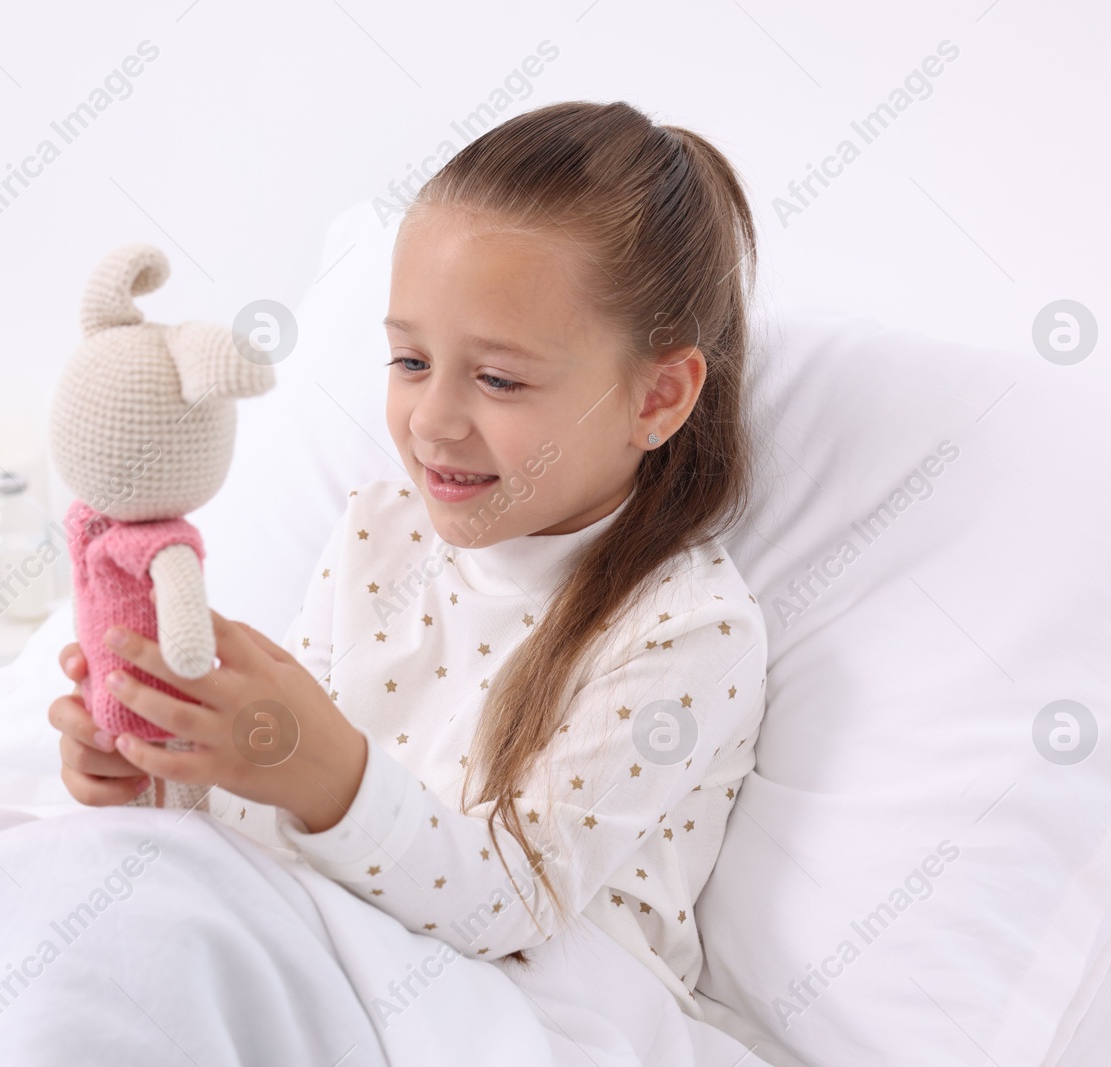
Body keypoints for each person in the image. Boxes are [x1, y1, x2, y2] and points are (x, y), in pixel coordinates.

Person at [50, 99, 771, 1058]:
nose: (432, 420)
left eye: (500, 379)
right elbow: (270, 821)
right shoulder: (379, 531)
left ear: (658, 396)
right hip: (323, 938)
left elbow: (514, 902)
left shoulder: (689, 628)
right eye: (410, 360)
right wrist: (166, 771)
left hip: (532, 1016)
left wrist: (325, 774)